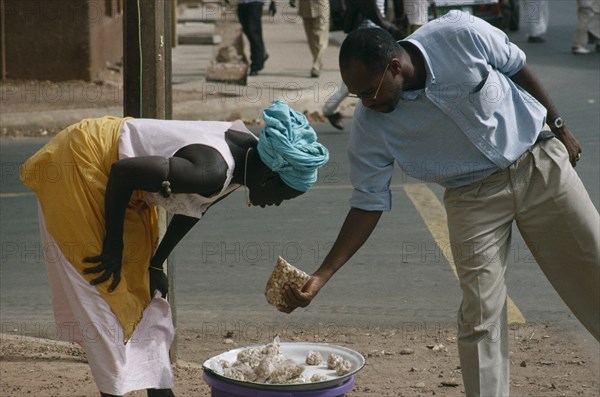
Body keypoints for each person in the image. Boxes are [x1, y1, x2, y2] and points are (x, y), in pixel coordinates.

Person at [278, 15, 599, 397]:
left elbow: (517, 67)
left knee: (593, 268)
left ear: (395, 67)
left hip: (538, 165)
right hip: (471, 198)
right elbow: (368, 202)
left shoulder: (460, 34)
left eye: (369, 91)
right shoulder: (371, 124)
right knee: (480, 314)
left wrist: (559, 125)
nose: (365, 103)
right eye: (356, 95)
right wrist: (322, 275)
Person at [19, 100, 329, 397]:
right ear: (269, 174)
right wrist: (113, 245)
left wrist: (155, 264)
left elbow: (194, 207)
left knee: (146, 294)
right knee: (103, 292)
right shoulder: (213, 170)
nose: (276, 203)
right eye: (282, 195)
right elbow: (124, 172)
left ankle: (160, 391)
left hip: (124, 184)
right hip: (83, 161)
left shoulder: (247, 156)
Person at [322, 0, 404, 130]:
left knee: (361, 84)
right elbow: (373, 13)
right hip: (366, 42)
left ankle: (329, 108)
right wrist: (391, 28)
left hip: (374, 38)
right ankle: (329, 108)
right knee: (361, 83)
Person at [290, 0, 331, 78]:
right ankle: (318, 60)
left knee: (320, 36)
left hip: (321, 6)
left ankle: (316, 65)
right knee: (311, 38)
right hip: (305, 7)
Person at [236, 0, 277, 75]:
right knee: (246, 29)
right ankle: (261, 53)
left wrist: (273, 2)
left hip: (256, 2)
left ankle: (256, 65)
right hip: (241, 2)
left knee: (253, 31)